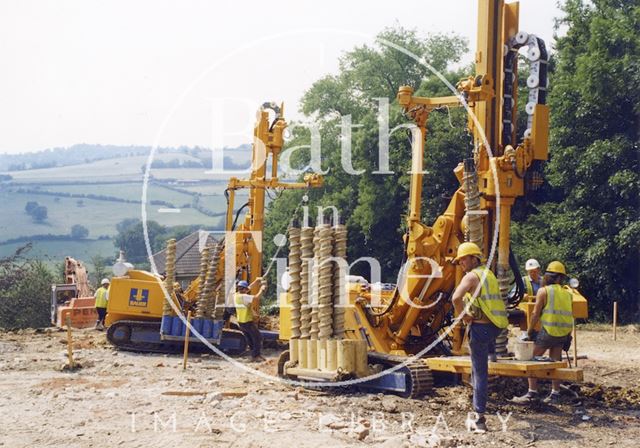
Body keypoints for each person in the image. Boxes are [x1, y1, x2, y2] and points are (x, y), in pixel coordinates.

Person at [451, 242, 509, 433]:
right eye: (459, 261)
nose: (461, 264)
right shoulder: (488, 274)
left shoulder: (471, 277)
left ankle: (479, 418)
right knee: (481, 367)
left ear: (474, 258)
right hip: (494, 327)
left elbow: (455, 298)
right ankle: (493, 354)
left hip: (480, 329)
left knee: (479, 373)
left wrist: (462, 316)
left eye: (464, 259)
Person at [513, 261, 574, 404]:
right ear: (560, 278)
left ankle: (532, 392)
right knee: (555, 362)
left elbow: (535, 314)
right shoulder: (567, 293)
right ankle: (555, 394)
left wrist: (528, 332)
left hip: (548, 332)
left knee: (531, 358)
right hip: (563, 333)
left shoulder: (544, 291)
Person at [235, 277, 267, 362]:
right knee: (258, 337)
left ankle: (254, 354)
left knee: (250, 338)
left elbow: (249, 288)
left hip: (241, 322)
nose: (247, 289)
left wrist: (256, 281)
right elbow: (256, 298)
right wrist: (262, 289)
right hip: (247, 321)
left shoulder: (236, 295)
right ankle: (256, 356)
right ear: (244, 289)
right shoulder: (245, 297)